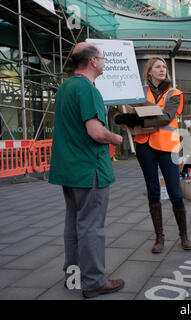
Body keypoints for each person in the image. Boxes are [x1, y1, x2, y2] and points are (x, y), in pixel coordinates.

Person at [49, 42, 125, 298]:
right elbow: (95, 132)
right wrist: (115, 138)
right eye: (102, 58)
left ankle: (73, 278)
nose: (104, 62)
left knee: (74, 224)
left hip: (68, 170)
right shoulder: (88, 89)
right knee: (92, 226)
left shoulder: (65, 87)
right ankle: (94, 281)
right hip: (88, 169)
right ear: (93, 61)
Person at [114, 57, 191, 253]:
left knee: (175, 191)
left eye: (164, 66)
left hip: (167, 146)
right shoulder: (139, 92)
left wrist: (135, 119)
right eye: (158, 66)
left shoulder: (175, 93)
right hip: (144, 145)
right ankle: (159, 238)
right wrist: (121, 117)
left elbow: (166, 118)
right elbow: (122, 109)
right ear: (149, 71)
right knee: (153, 190)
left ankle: (184, 236)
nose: (162, 69)